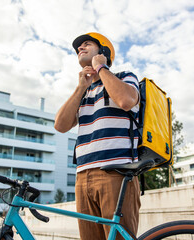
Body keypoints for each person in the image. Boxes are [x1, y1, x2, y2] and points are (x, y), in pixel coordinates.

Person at [54, 32, 140, 240]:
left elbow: (127, 100)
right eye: (77, 49)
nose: (80, 49)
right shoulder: (83, 93)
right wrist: (81, 87)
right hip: (83, 176)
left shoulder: (123, 77)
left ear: (103, 51)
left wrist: (101, 68)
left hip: (116, 171)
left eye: (86, 44)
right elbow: (60, 125)